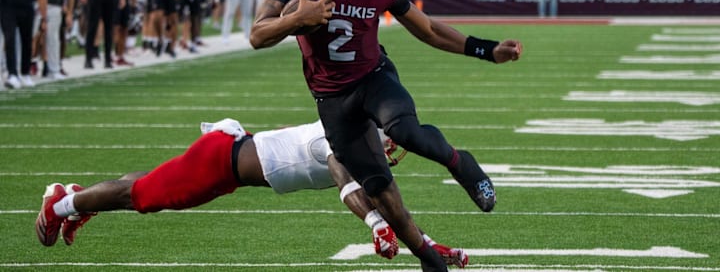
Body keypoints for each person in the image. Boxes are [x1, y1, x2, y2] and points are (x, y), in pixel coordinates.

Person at [250, 0, 522, 271]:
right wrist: (297, 19)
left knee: (405, 130)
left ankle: (461, 164)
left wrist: (487, 50)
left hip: (373, 77)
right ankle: (428, 259)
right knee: (379, 187)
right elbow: (257, 35)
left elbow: (427, 30)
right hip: (331, 97)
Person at [34, 117, 468, 268]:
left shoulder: (356, 140)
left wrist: (428, 247)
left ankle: (80, 198)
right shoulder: (344, 143)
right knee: (144, 197)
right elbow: (343, 175)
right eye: (389, 145)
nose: (389, 155)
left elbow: (391, 208)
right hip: (221, 163)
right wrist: (374, 224)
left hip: (230, 163)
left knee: (148, 186)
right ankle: (63, 203)